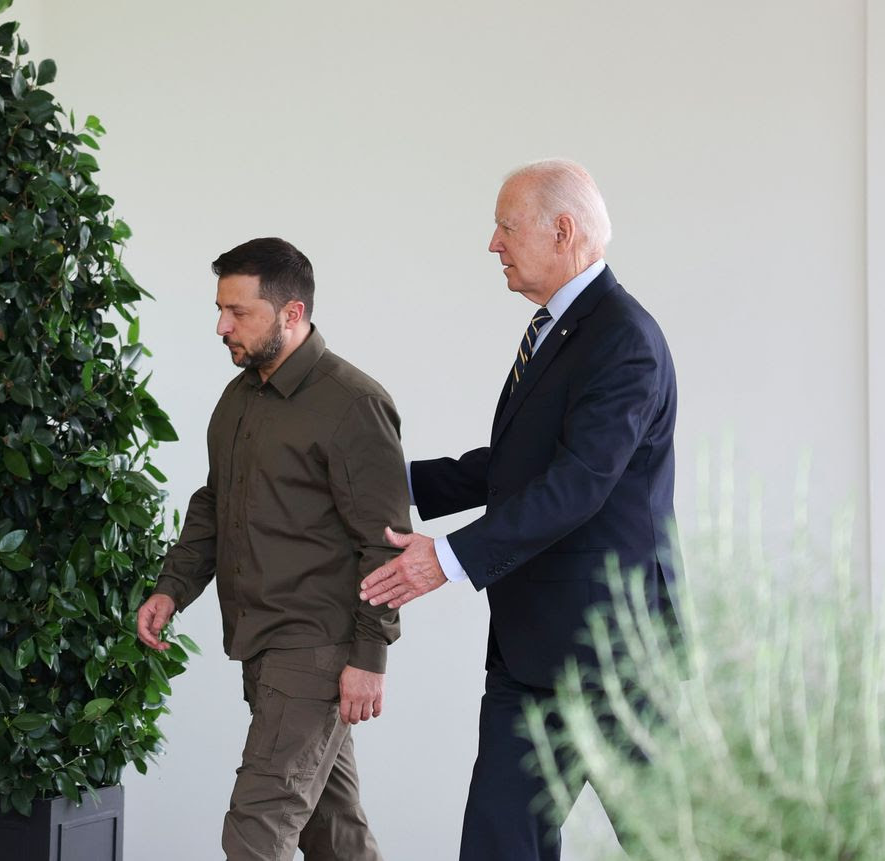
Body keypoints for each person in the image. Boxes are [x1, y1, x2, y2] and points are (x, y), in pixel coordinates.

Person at [358, 159, 682, 860]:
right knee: (500, 844)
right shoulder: (557, 329)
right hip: (529, 654)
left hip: (610, 655)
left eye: (506, 226)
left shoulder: (625, 340)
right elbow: (514, 468)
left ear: (563, 231)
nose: (493, 243)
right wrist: (392, 480)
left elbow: (578, 484)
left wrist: (446, 559)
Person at [137, 237, 409, 861]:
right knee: (331, 829)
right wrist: (171, 587)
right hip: (259, 642)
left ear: (292, 314)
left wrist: (370, 655)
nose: (221, 326)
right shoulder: (239, 399)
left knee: (257, 827)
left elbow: (385, 543)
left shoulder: (353, 403)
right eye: (220, 309)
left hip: (314, 648)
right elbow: (214, 503)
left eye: (239, 313)